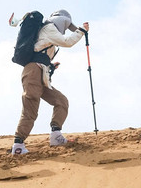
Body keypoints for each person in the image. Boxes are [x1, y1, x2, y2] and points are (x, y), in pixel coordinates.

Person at [12, 9, 89, 155]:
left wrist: (51, 66)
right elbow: (68, 42)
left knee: (61, 101)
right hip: (33, 73)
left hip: (41, 74)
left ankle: (56, 136)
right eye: (66, 26)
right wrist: (81, 31)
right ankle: (18, 145)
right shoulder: (49, 28)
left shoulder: (47, 31)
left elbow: (40, 52)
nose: (66, 29)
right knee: (31, 109)